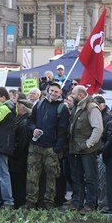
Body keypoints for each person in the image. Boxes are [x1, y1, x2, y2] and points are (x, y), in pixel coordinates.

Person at [24, 82, 70, 210]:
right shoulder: (38, 104)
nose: (53, 93)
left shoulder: (62, 108)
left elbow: (63, 130)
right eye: (51, 90)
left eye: (56, 91)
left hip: (51, 147)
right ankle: (30, 202)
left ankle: (49, 202)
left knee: (52, 177)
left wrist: (57, 148)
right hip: (35, 145)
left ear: (60, 93)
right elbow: (30, 121)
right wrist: (33, 129)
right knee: (31, 175)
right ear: (48, 90)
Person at [67, 86, 103, 213]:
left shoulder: (91, 108)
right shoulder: (77, 107)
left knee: (90, 177)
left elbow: (98, 128)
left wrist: (88, 144)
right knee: (76, 177)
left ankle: (90, 204)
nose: (72, 95)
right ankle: (77, 202)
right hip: (76, 148)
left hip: (87, 150)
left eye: (73, 94)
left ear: (80, 96)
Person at [11, 99, 33, 208]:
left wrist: (14, 153)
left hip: (19, 158)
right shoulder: (21, 120)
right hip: (19, 157)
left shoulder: (24, 122)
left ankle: (19, 202)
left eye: (17, 106)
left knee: (19, 181)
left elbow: (22, 143)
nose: (16, 108)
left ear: (23, 108)